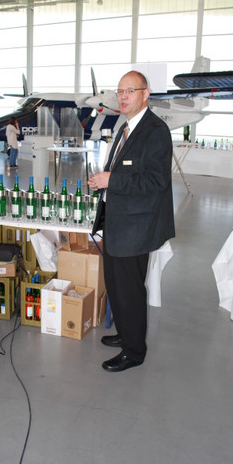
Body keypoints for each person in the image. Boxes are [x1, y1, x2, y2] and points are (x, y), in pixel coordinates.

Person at [89, 70, 175, 372]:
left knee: (130, 290)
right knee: (115, 285)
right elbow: (122, 170)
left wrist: (112, 180)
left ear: (146, 93)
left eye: (130, 91)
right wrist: (103, 181)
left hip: (136, 228)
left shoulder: (155, 131)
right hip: (117, 223)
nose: (123, 97)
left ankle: (135, 351)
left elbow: (156, 181)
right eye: (120, 91)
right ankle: (126, 334)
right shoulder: (125, 128)